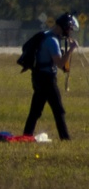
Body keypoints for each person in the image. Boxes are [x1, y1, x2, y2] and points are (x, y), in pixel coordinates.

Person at [23, 12, 80, 140]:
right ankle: (65, 139)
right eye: (69, 29)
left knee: (35, 111)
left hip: (37, 77)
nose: (70, 32)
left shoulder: (45, 35)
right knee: (59, 111)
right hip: (47, 79)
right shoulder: (52, 41)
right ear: (65, 26)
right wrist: (71, 49)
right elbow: (60, 63)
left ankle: (26, 135)